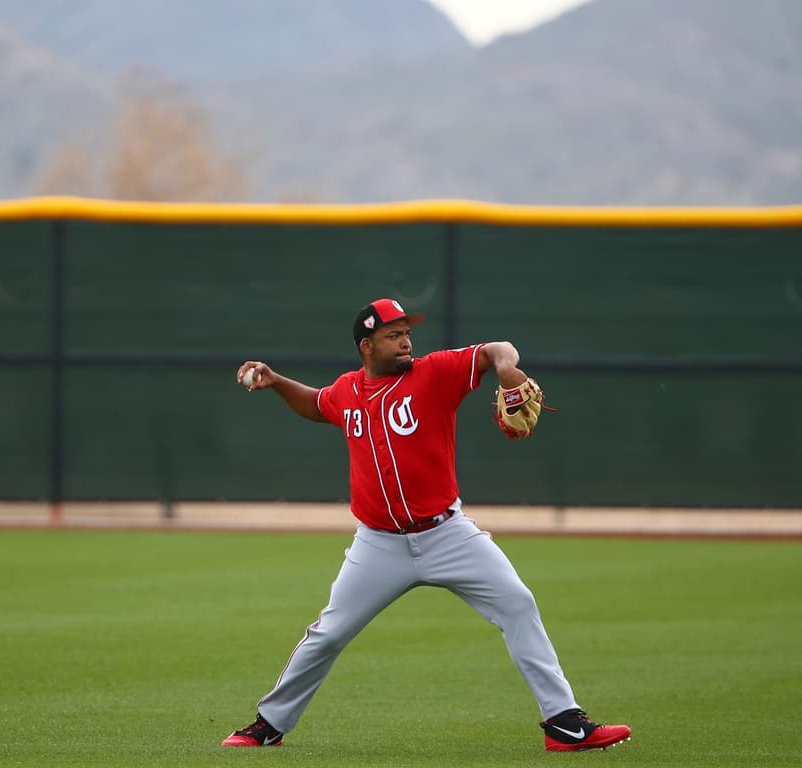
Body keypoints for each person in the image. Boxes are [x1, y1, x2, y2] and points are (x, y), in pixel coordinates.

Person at [222, 297, 631, 754]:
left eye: (406, 333)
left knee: (518, 602)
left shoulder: (434, 373)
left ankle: (565, 723)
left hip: (447, 535)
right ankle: (268, 725)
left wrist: (508, 370)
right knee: (328, 633)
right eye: (392, 335)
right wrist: (277, 382)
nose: (405, 342)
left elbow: (498, 348)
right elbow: (318, 405)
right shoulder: (346, 391)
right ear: (366, 345)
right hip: (378, 545)